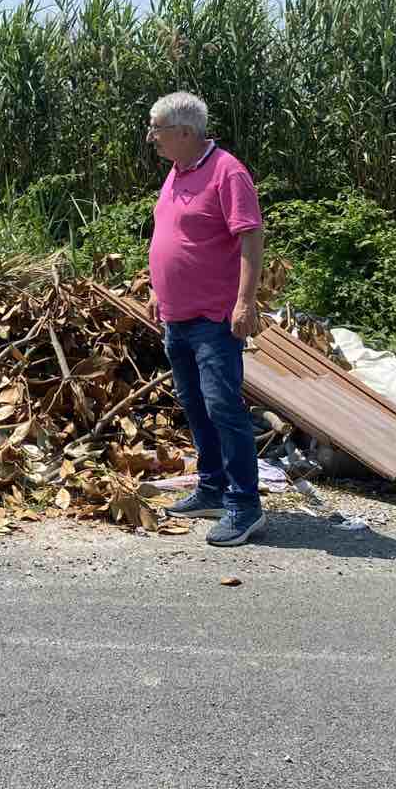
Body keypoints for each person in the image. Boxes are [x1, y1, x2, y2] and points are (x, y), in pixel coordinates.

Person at [145, 91, 267, 546]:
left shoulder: (227, 172)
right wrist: (158, 288)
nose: (151, 137)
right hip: (177, 317)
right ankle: (212, 488)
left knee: (224, 408)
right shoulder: (177, 173)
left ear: (185, 132)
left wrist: (245, 302)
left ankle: (244, 506)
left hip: (214, 318)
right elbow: (168, 234)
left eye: (157, 129)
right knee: (194, 404)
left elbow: (251, 238)